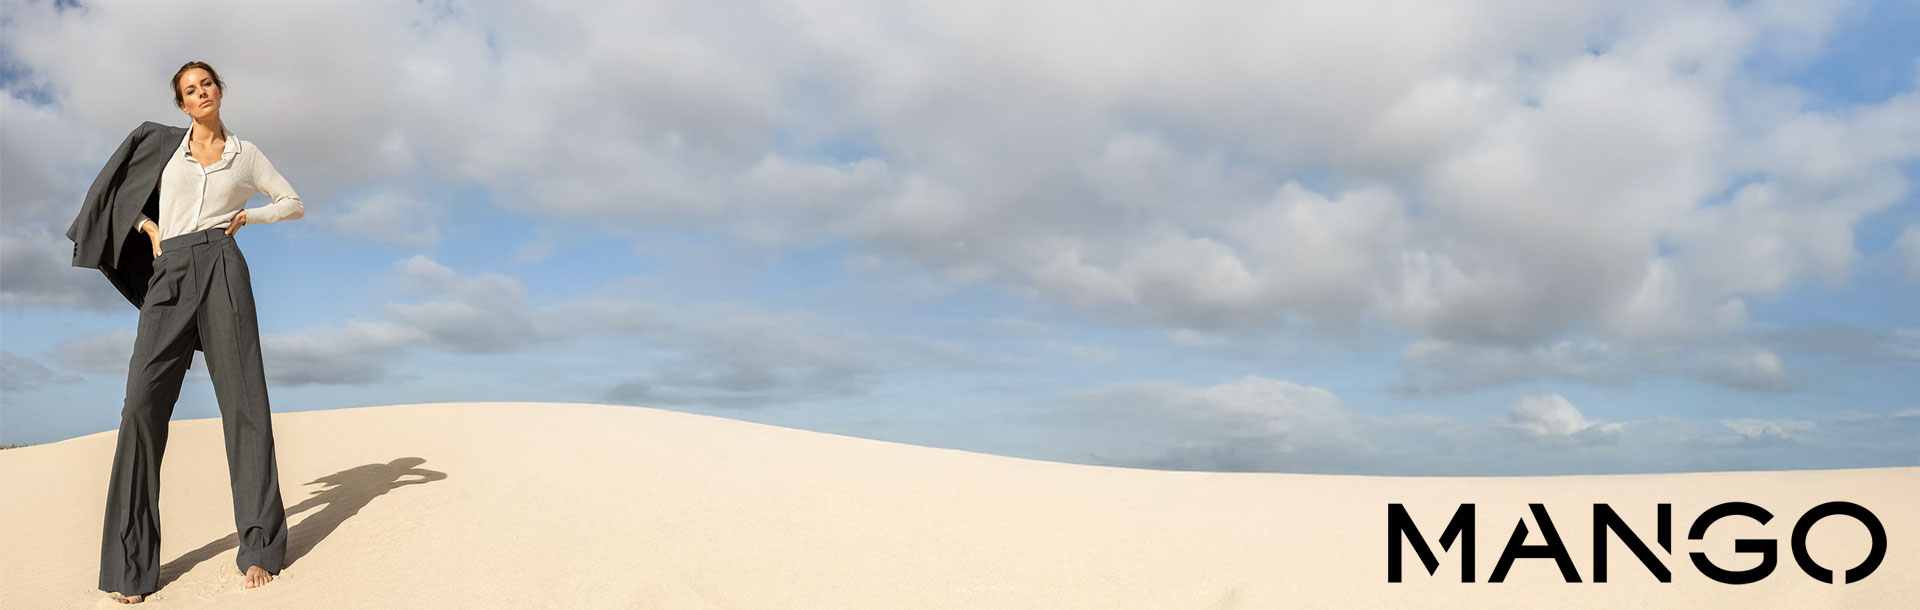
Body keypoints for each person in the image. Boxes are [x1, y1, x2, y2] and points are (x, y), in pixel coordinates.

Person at [99, 60, 305, 604]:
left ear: (218, 91)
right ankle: (129, 566)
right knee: (140, 406)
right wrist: (149, 229)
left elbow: (293, 202)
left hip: (223, 266)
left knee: (244, 404)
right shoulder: (164, 148)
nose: (200, 93)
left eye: (206, 84)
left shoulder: (246, 154)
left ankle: (259, 547)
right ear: (182, 104)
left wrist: (249, 219)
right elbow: (121, 197)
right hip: (171, 271)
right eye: (190, 90)